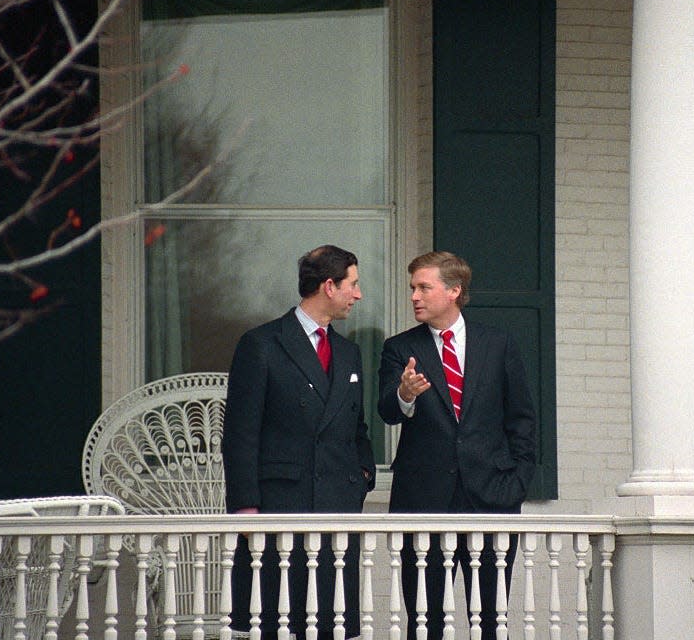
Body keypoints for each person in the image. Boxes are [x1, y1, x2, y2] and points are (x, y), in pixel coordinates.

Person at [378, 251, 537, 640]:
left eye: (423, 287)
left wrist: (517, 483)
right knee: (425, 620)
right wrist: (404, 394)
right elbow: (387, 411)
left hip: (492, 498)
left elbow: (522, 420)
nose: (414, 295)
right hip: (423, 500)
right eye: (412, 287)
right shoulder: (400, 348)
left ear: (453, 291)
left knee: (490, 621)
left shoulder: (497, 343)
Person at [223, 244, 377, 639]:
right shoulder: (262, 344)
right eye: (353, 284)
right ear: (329, 285)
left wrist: (362, 474)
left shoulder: (348, 352)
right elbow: (240, 433)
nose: (358, 295)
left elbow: (356, 427)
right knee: (276, 621)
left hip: (337, 507)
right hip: (281, 505)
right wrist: (244, 505)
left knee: (333, 623)